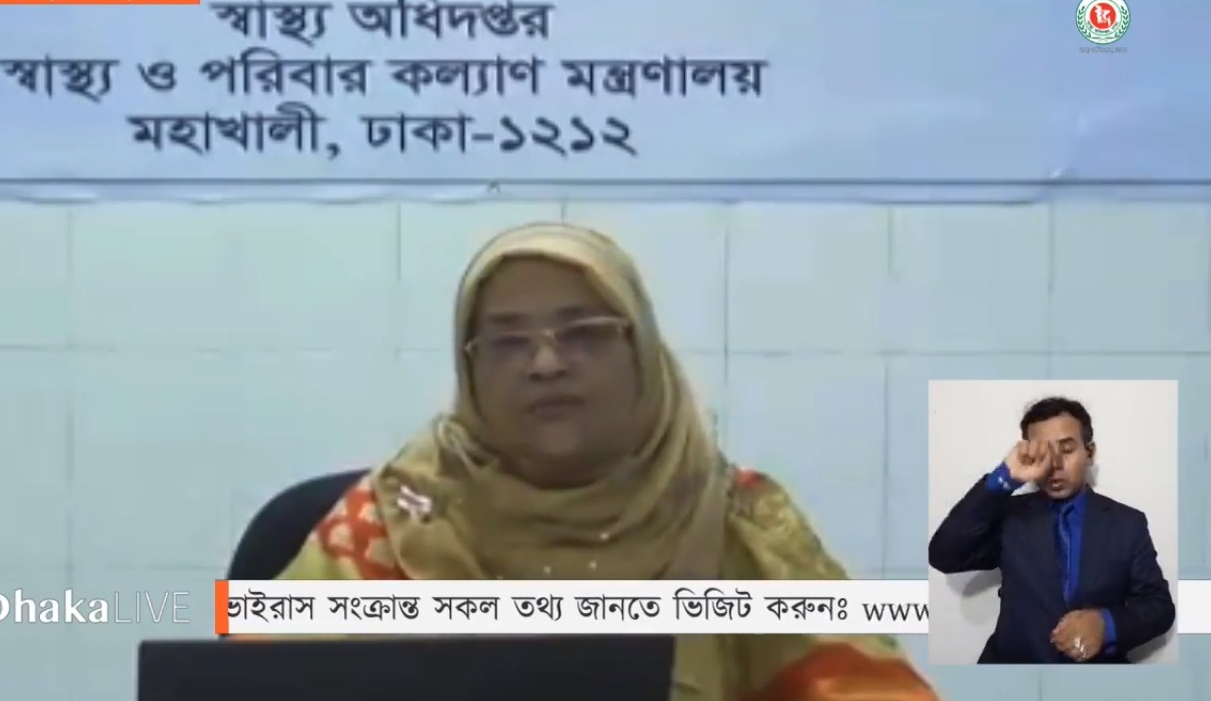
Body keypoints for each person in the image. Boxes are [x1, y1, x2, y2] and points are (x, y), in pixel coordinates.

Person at [274, 222, 939, 701]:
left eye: (584, 333)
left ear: (641, 353)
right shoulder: (394, 523)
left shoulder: (731, 521)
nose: (545, 364)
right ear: (468, 370)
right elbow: (260, 681)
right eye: (506, 342)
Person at [928, 396, 1175, 664]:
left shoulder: (1127, 523)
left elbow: (1159, 607)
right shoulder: (1010, 515)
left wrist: (1106, 626)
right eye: (1043, 453)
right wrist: (1004, 478)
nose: (1055, 464)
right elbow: (944, 556)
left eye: (1067, 450)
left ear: (1089, 453)